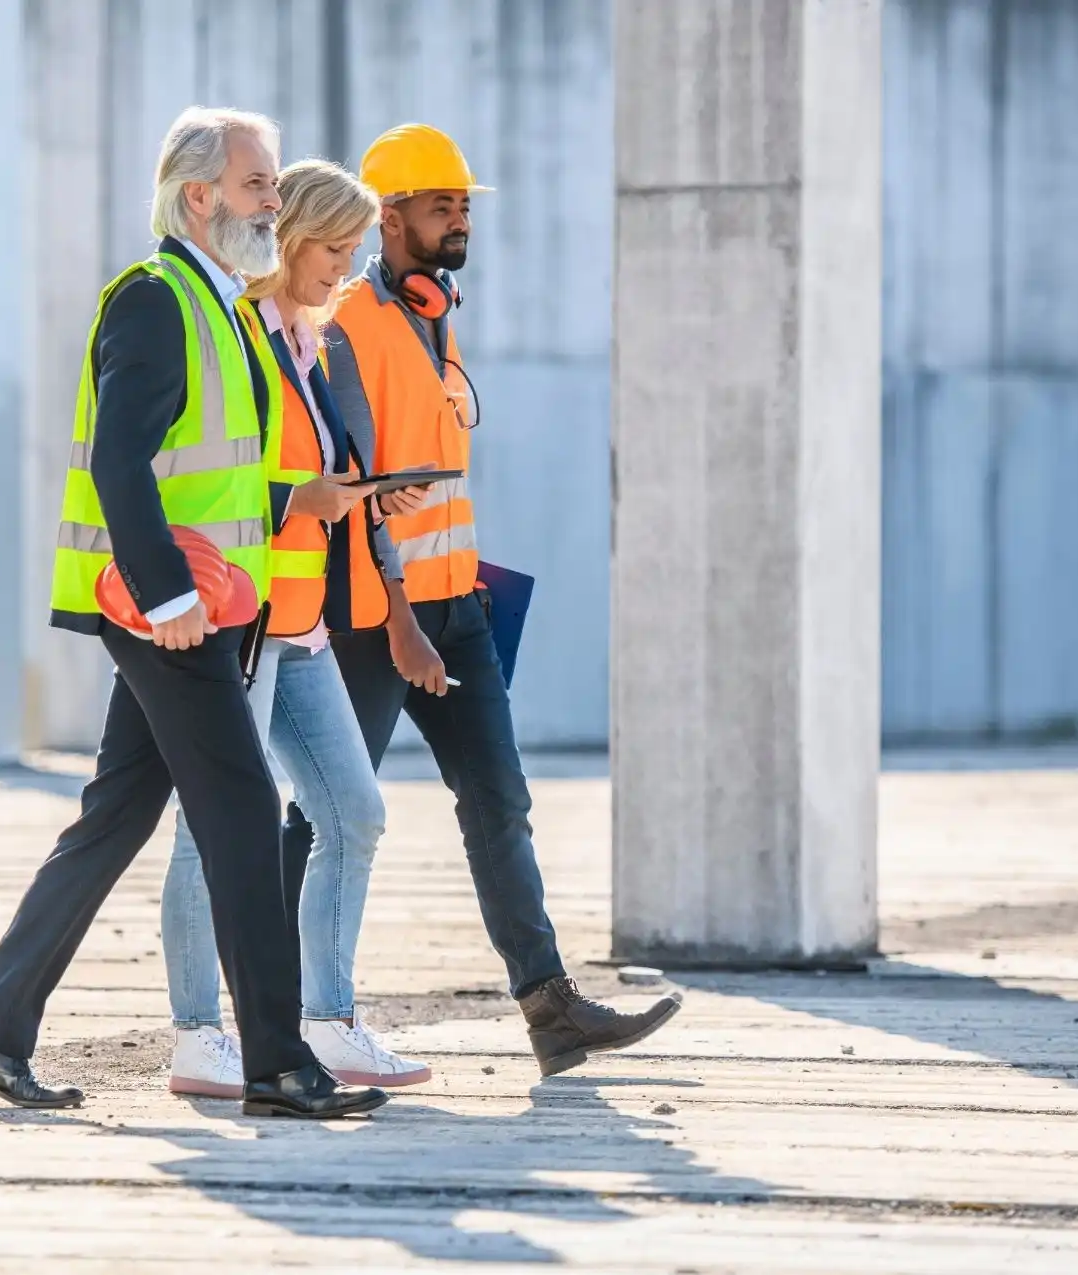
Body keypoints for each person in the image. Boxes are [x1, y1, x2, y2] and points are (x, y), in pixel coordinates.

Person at [0, 107, 387, 1119]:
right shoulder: (153, 300)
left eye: (269, 185)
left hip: (206, 608)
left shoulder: (215, 302)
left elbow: (215, 480)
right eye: (260, 184)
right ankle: (277, 1063)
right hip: (167, 612)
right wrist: (169, 597)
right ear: (200, 196)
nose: (274, 202)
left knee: (119, 814)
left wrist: (270, 530)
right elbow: (124, 467)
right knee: (244, 813)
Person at [288, 123, 683, 1076]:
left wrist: (451, 605)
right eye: (440, 204)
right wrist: (404, 623)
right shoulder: (345, 329)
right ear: (387, 218)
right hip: (381, 619)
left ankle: (549, 1007)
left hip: (458, 605)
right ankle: (276, 1012)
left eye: (464, 203)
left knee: (499, 801)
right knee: (329, 817)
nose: (459, 218)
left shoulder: (436, 318)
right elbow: (354, 492)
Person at [159, 160, 433, 1099]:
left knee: (353, 812)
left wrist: (353, 493)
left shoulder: (308, 339)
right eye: (334, 246)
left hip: (303, 618)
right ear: (287, 240)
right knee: (211, 829)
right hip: (244, 620)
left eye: (357, 249)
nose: (348, 265)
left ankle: (327, 1019)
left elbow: (309, 468)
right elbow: (214, 476)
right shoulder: (235, 333)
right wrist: (294, 495)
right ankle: (198, 1035)